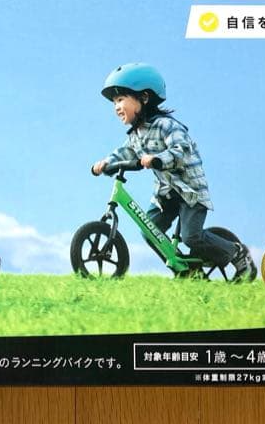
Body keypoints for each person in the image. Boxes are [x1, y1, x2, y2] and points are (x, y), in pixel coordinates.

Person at [91, 63, 256, 280]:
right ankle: (185, 270)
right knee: (149, 230)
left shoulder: (167, 126)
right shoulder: (136, 135)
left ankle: (237, 253)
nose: (116, 107)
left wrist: (158, 159)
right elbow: (125, 152)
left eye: (121, 99)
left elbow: (181, 150)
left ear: (144, 97)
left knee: (191, 237)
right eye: (114, 102)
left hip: (189, 191)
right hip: (166, 193)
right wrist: (106, 163)